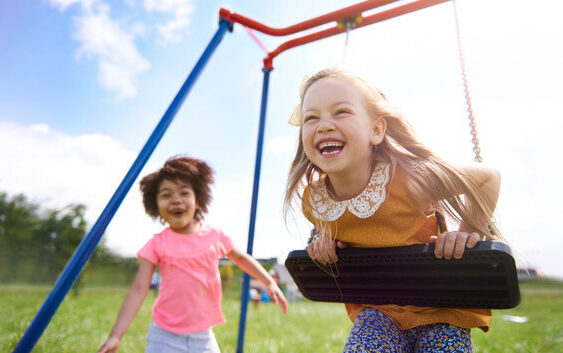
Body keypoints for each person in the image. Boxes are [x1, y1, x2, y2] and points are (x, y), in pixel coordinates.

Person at [284, 68, 503, 352]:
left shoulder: (409, 180)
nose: (324, 125)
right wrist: (323, 244)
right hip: (378, 312)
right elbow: (342, 233)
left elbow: (488, 178)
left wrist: (466, 235)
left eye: (341, 112)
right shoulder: (315, 201)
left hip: (441, 309)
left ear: (376, 130)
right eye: (311, 117)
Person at [98, 156, 287, 353]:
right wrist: (115, 336)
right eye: (166, 195)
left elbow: (241, 258)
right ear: (155, 206)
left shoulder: (214, 236)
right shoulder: (156, 244)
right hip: (163, 336)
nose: (176, 199)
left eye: (184, 193)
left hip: (203, 337)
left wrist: (269, 281)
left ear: (197, 201)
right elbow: (138, 289)